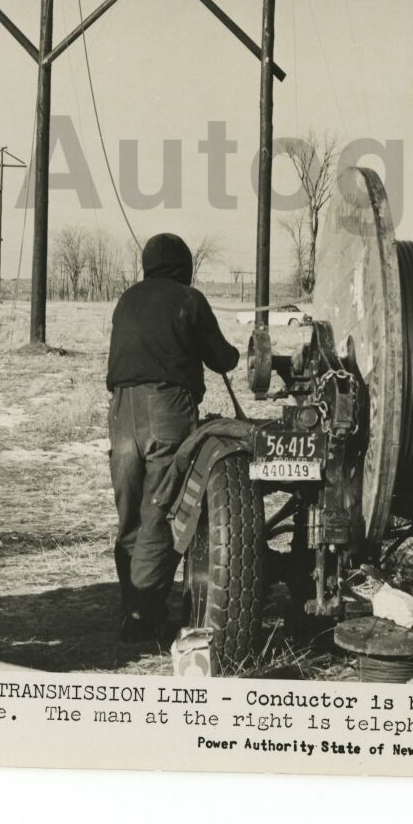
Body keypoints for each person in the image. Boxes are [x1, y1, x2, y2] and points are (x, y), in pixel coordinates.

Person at [106, 232, 239, 642]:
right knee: (159, 511)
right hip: (167, 410)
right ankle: (145, 618)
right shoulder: (189, 299)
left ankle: (133, 607)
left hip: (122, 411)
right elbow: (222, 357)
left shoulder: (127, 298)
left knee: (129, 513)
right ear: (184, 267)